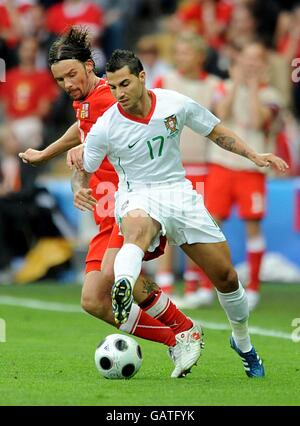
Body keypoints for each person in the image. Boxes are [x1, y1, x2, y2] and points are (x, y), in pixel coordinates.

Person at [71, 49, 288, 378]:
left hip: (180, 195)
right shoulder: (107, 126)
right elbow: (83, 167)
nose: (120, 93)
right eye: (113, 87)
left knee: (227, 277)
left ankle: (242, 341)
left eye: (125, 84)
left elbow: (217, 132)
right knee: (136, 229)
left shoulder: (174, 103)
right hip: (137, 194)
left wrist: (253, 155)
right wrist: (79, 186)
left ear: (143, 78)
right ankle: (125, 286)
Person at [19, 27, 203, 379]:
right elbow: (82, 127)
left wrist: (80, 168)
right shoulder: (87, 101)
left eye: (73, 74)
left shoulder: (111, 96)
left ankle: (185, 328)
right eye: (60, 79)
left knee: (119, 275)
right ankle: (176, 338)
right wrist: (47, 154)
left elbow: (119, 126)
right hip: (106, 214)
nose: (68, 83)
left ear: (90, 66)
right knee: (93, 300)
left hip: (131, 204)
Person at [202, 42, 284, 311]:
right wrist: (237, 83)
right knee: (210, 224)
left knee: (253, 226)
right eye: (246, 58)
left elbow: (258, 120)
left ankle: (255, 287)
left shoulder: (271, 94)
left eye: (256, 60)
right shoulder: (224, 87)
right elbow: (220, 116)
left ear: (263, 64)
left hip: (251, 169)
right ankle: (207, 285)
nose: (250, 64)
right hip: (222, 165)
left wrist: (251, 87)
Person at [153, 31, 219, 307]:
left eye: (186, 52)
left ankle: (194, 285)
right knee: (165, 227)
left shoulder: (215, 86)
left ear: (200, 57)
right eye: (177, 52)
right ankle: (165, 284)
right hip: (170, 167)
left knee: (195, 226)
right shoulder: (165, 81)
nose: (180, 57)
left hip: (203, 166)